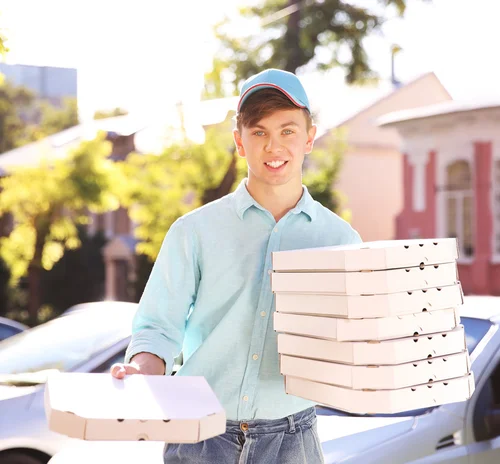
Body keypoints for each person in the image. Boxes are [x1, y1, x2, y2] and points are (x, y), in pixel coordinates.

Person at [110, 68, 362, 463]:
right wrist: (144, 371)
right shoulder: (193, 231)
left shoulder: (341, 241)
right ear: (239, 142)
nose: (273, 146)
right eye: (258, 132)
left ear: (309, 137)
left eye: (288, 131)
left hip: (292, 441)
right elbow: (158, 327)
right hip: (198, 434)